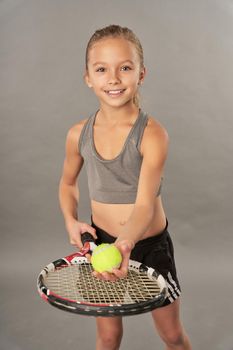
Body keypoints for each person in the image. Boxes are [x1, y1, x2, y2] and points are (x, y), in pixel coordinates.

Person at [59, 24, 192, 350]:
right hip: (101, 247)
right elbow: (67, 183)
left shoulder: (152, 134)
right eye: (101, 69)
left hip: (147, 247)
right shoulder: (79, 133)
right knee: (107, 337)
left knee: (172, 336)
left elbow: (145, 203)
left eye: (125, 68)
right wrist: (71, 219)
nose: (113, 78)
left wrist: (127, 243)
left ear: (141, 74)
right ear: (88, 77)